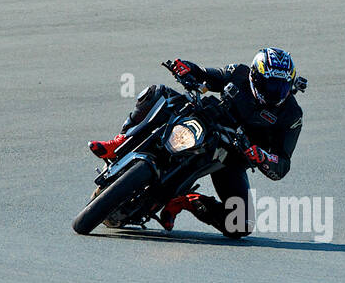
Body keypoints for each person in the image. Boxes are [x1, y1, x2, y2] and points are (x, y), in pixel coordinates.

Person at [88, 48, 305, 238]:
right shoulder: (239, 73)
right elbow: (207, 75)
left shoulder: (292, 115)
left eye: (281, 86)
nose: (275, 92)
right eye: (269, 84)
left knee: (240, 225)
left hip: (233, 156)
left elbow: (282, 164)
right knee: (156, 93)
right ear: (254, 75)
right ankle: (119, 142)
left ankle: (185, 200)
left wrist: (262, 156)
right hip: (206, 117)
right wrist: (185, 68)